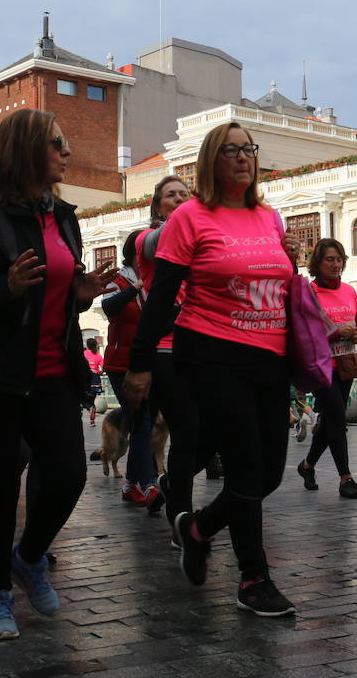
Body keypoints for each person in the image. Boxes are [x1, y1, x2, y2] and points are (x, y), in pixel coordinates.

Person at [0, 108, 115, 640]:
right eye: (57, 144)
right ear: (29, 150)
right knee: (2, 485)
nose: (67, 153)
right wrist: (1, 289)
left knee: (69, 473)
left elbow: (55, 293)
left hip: (56, 367)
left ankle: (29, 556)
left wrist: (80, 293)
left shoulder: (64, 215)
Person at [124, 121, 300, 617]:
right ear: (210, 159)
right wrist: (140, 364)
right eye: (231, 150)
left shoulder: (269, 217)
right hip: (212, 353)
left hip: (271, 356)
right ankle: (253, 579)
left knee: (266, 476)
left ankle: (197, 528)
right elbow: (161, 296)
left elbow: (282, 285)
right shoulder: (190, 218)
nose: (244, 158)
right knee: (245, 466)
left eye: (249, 149)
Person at [134, 175, 213, 526]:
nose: (180, 199)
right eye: (171, 196)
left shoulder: (201, 239)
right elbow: (157, 240)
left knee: (212, 438)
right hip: (165, 349)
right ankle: (181, 517)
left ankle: (169, 483)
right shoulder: (145, 240)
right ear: (157, 205)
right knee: (185, 430)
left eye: (185, 194)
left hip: (203, 345)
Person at [296, 239, 357, 499]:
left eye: (338, 259)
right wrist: (335, 334)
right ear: (317, 262)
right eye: (329, 259)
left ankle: (307, 466)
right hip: (319, 366)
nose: (335, 264)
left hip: (345, 363)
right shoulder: (309, 291)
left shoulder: (349, 291)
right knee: (337, 414)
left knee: (331, 420)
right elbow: (303, 332)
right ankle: (345, 478)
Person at [101, 230, 157, 507]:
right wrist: (134, 289)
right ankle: (149, 485)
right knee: (142, 423)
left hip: (151, 361)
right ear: (136, 254)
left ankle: (130, 485)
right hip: (121, 363)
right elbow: (109, 308)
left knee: (143, 424)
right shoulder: (119, 279)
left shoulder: (155, 279)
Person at [83, 338, 104, 426]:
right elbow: (103, 368)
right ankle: (92, 421)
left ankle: (88, 407)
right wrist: (98, 372)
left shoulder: (84, 353)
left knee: (84, 399)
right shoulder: (98, 356)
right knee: (92, 400)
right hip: (95, 379)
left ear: (87, 345)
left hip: (86, 378)